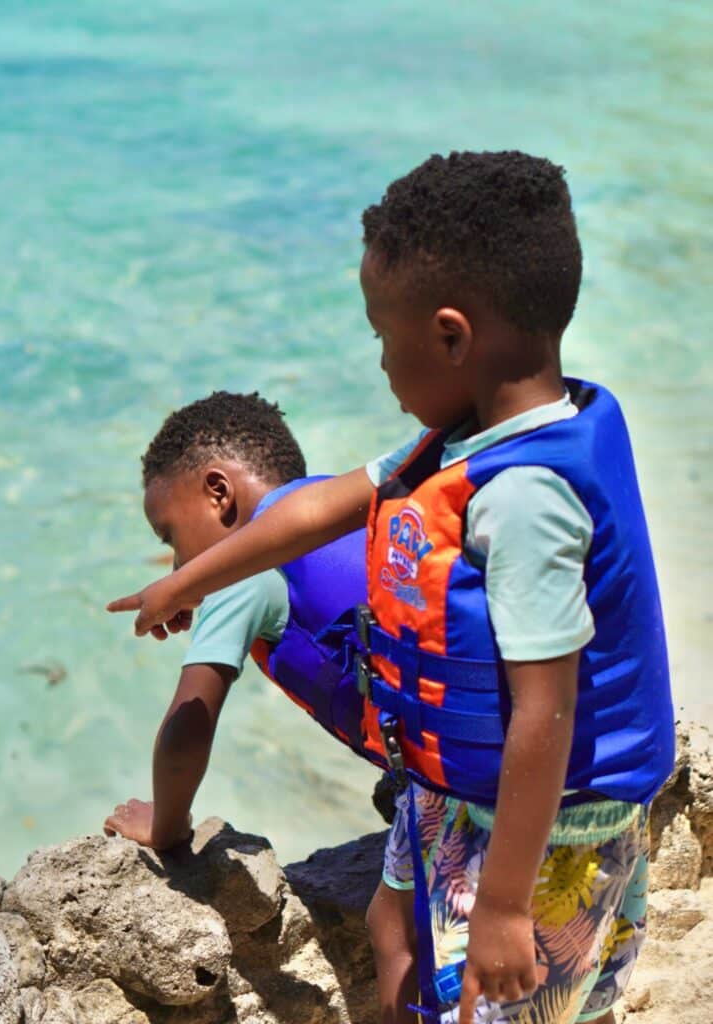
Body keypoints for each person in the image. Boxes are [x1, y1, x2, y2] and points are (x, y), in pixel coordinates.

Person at [108, 151, 675, 1024]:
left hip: (543, 822)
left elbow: (546, 710)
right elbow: (319, 509)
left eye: (382, 334)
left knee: (502, 1000)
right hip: (451, 792)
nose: (377, 361)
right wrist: (184, 579)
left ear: (450, 335)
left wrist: (504, 906)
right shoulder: (465, 441)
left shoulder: (523, 497)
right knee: (394, 927)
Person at [103, 390, 370, 850]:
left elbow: (188, 724)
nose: (176, 567)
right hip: (505, 730)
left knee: (392, 918)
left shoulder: (247, 577)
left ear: (219, 493)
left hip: (466, 787)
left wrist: (165, 825)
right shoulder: (344, 509)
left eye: (171, 536)